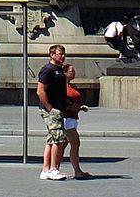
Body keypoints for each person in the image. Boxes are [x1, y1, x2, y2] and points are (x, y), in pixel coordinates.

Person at [36, 42, 69, 181]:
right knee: (59, 139)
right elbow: (40, 90)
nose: (62, 56)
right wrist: (49, 108)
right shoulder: (48, 70)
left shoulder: (59, 70)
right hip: (51, 109)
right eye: (59, 54)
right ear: (52, 55)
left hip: (59, 108)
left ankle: (46, 169)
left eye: (63, 54)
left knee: (51, 139)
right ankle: (54, 169)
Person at [63, 61, 92, 179]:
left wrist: (79, 107)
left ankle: (53, 167)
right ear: (65, 73)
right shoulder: (62, 87)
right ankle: (77, 171)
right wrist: (70, 107)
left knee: (63, 144)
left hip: (73, 117)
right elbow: (61, 101)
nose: (74, 73)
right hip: (67, 118)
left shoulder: (71, 86)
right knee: (75, 143)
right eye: (71, 71)